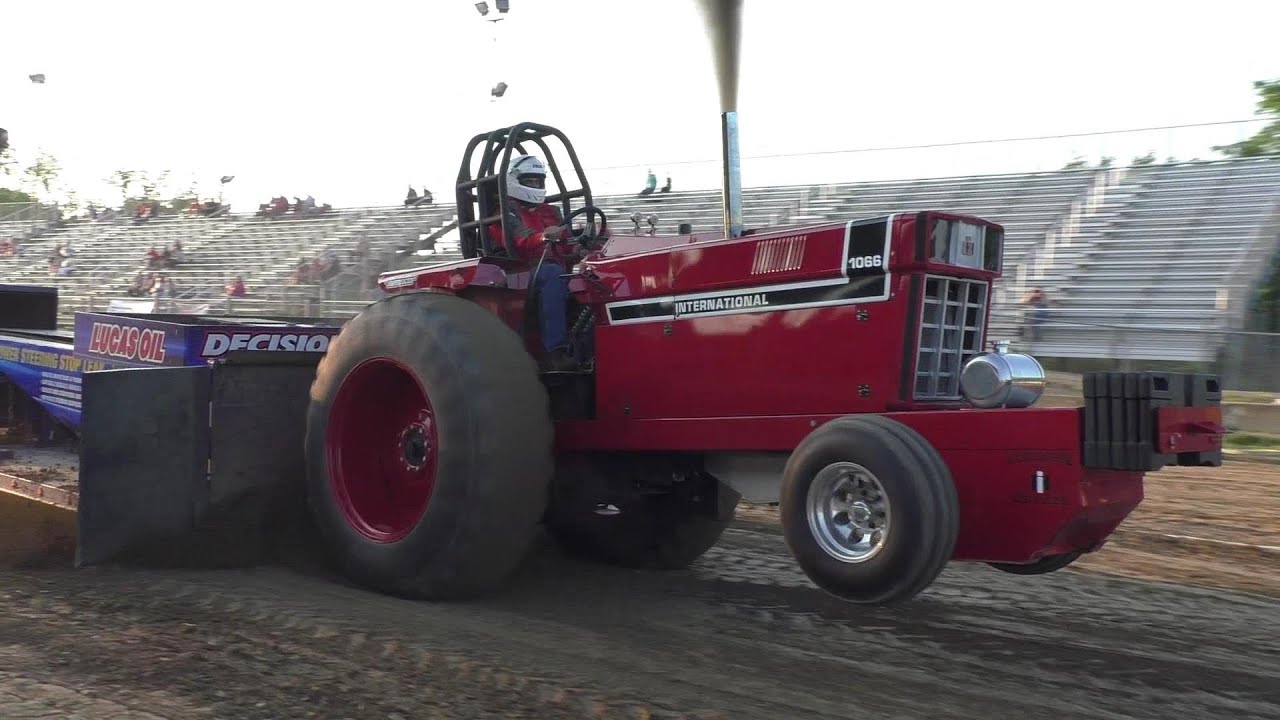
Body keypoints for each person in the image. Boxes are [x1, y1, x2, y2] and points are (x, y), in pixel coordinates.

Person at [493, 154, 580, 371]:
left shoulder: (551, 211)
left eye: (538, 181)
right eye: (529, 181)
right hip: (520, 270)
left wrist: (581, 248)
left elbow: (567, 245)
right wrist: (544, 236)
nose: (534, 185)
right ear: (514, 180)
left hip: (553, 265)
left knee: (592, 276)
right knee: (552, 274)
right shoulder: (505, 212)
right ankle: (555, 351)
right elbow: (520, 240)